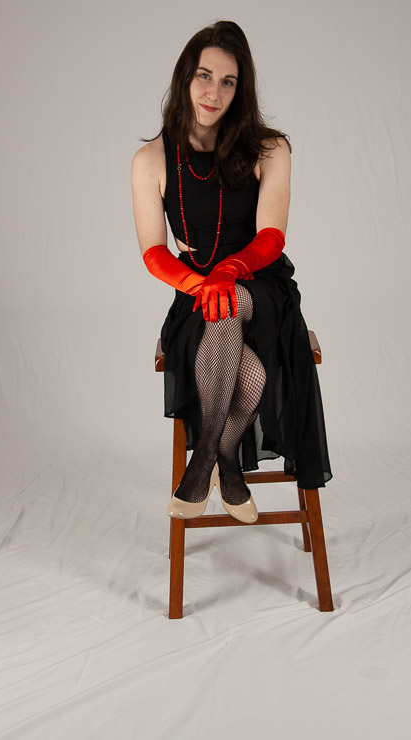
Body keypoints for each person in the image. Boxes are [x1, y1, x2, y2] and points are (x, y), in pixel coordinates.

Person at [131, 20, 332, 524]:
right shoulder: (151, 159)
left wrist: (231, 270)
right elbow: (154, 252)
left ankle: (201, 463)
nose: (214, 92)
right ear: (185, 77)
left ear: (241, 90)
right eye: (204, 76)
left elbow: (272, 236)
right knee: (248, 363)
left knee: (233, 299)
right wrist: (203, 283)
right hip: (195, 295)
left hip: (263, 291)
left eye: (228, 82)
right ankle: (225, 459)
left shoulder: (270, 148)